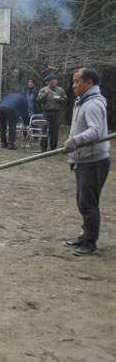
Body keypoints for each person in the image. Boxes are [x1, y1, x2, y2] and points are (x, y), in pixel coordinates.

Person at [62, 68, 110, 256]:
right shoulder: (82, 102)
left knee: (88, 203)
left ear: (89, 83)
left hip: (93, 161)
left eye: (77, 82)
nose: (74, 85)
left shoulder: (92, 104)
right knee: (83, 202)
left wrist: (74, 141)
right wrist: (74, 156)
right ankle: (85, 234)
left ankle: (90, 242)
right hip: (83, 160)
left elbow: (95, 131)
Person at [37, 73, 67, 151]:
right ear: (49, 81)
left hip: (56, 112)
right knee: (45, 129)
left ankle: (53, 146)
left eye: (56, 80)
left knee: (55, 130)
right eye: (53, 80)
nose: (55, 82)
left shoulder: (60, 90)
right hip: (46, 112)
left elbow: (65, 100)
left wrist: (59, 98)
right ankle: (43, 146)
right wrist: (45, 94)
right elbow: (39, 100)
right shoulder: (43, 89)